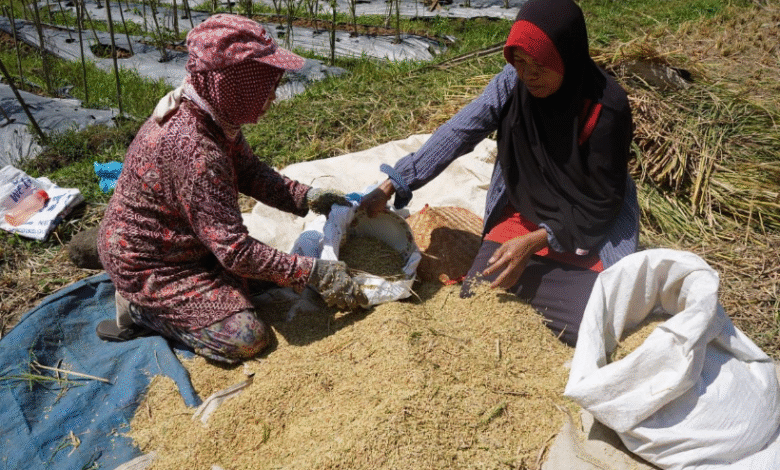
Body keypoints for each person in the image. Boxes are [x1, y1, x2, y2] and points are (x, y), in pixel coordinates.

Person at [360, 0, 639, 346]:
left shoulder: (605, 107)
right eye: (519, 62)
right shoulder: (513, 84)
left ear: (567, 56)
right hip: (524, 213)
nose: (529, 74)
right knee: (478, 301)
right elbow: (460, 131)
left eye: (540, 64)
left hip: (587, 227)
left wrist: (537, 241)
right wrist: (393, 184)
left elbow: (602, 202)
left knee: (590, 329)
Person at [96, 14, 367, 363]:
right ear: (233, 84)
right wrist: (313, 273)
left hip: (184, 242)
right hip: (154, 265)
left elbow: (249, 171)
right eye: (265, 85)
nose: (273, 95)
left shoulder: (211, 115)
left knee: (266, 277)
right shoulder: (196, 150)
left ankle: (211, 286)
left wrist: (307, 197)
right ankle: (140, 309)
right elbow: (235, 252)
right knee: (246, 336)